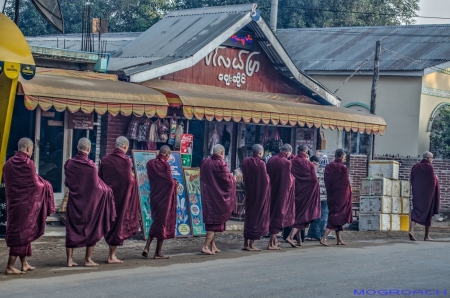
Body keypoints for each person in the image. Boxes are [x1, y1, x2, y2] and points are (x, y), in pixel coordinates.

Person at [3, 138, 55, 275]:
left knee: (24, 231)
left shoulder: (7, 164)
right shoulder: (28, 163)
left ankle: (24, 263)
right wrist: (46, 186)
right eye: (31, 150)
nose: (31, 152)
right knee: (20, 233)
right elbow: (35, 185)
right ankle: (10, 266)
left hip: (13, 203)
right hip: (25, 205)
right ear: (28, 149)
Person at [64, 138, 116, 267]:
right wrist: (107, 190)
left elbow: (67, 183)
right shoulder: (91, 165)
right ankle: (87, 259)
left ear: (77, 147)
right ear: (88, 149)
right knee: (92, 228)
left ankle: (69, 260)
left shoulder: (69, 164)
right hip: (89, 204)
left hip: (74, 201)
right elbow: (96, 186)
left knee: (71, 229)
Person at [99, 136, 140, 263]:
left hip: (108, 197)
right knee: (118, 224)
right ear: (125, 147)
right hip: (121, 197)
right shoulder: (126, 161)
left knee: (108, 222)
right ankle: (111, 256)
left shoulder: (105, 159)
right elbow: (128, 180)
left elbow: (100, 177)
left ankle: (98, 255)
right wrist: (134, 180)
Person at [142, 145, 177, 259]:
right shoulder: (165, 165)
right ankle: (158, 252)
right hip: (164, 199)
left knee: (156, 221)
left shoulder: (150, 164)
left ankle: (147, 247)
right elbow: (170, 182)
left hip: (154, 197)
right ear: (166, 154)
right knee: (162, 223)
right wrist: (175, 183)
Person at [200, 144, 236, 255]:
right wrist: (233, 178)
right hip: (218, 199)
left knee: (212, 221)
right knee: (214, 223)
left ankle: (213, 246)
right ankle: (205, 246)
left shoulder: (205, 162)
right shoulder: (221, 164)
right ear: (222, 153)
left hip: (207, 196)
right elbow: (227, 182)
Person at [285, 145, 321, 247]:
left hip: (295, 192)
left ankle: (299, 241)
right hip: (306, 194)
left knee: (298, 215)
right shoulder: (308, 164)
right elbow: (314, 180)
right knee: (302, 216)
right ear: (306, 152)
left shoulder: (291, 162)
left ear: (297, 151)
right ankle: (290, 237)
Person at [320, 149, 352, 246]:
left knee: (335, 214)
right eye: (344, 156)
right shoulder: (343, 168)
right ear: (342, 156)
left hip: (331, 194)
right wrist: (348, 193)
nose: (345, 158)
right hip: (341, 195)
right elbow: (346, 183)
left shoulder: (328, 166)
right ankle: (323, 238)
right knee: (336, 216)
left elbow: (326, 180)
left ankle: (338, 239)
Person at [241, 144, 270, 251]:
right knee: (256, 218)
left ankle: (245, 243)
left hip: (248, 192)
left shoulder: (245, 161)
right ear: (261, 153)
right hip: (258, 195)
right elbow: (264, 180)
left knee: (248, 217)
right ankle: (251, 244)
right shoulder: (261, 164)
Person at [266, 144, 295, 250]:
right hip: (281, 193)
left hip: (270, 190)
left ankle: (274, 241)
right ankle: (270, 244)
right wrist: (293, 180)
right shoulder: (287, 163)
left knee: (271, 214)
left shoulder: (271, 160)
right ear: (287, 153)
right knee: (278, 215)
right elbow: (288, 181)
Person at [409, 151, 440, 241]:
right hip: (428, 195)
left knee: (416, 211)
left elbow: (412, 179)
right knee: (428, 212)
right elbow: (432, 182)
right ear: (427, 158)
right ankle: (426, 236)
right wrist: (436, 178)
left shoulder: (416, 167)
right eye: (431, 158)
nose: (432, 160)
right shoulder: (429, 167)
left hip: (418, 194)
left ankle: (412, 231)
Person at [306, 155, 331, 241]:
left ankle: (316, 234)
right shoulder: (326, 172)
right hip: (322, 197)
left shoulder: (317, 172)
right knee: (322, 216)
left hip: (319, 197)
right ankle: (318, 234)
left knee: (320, 216)